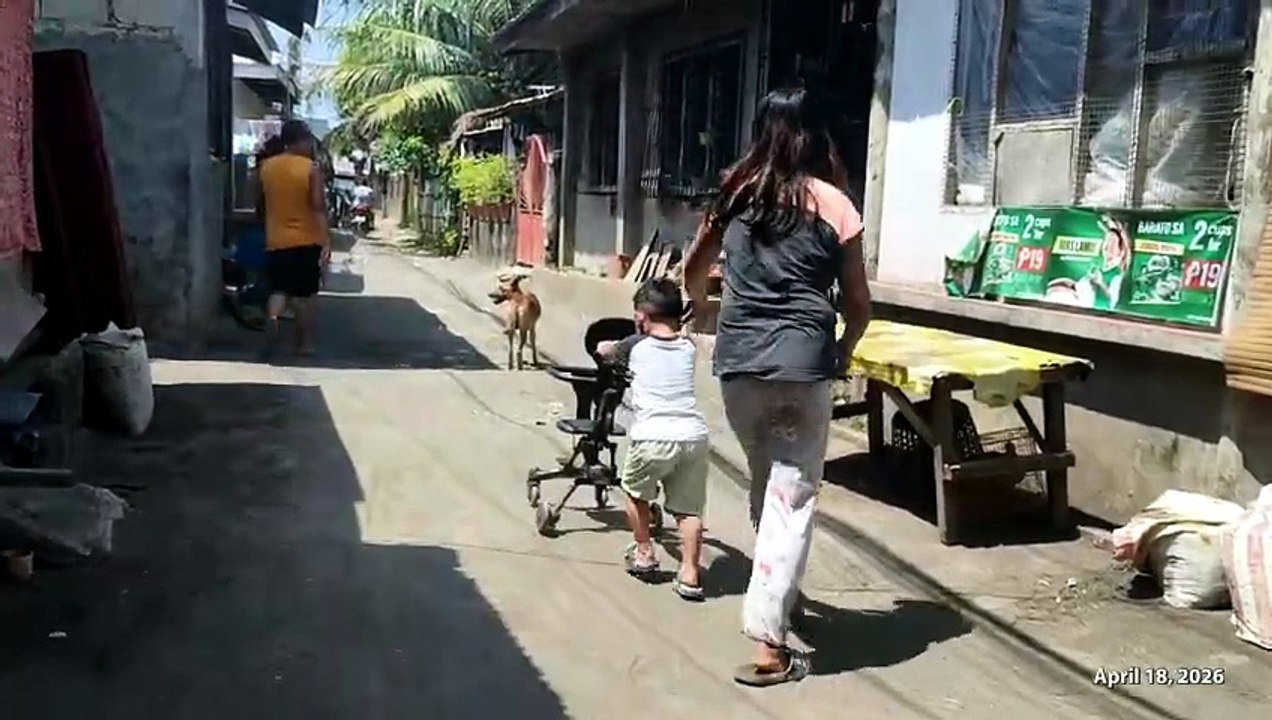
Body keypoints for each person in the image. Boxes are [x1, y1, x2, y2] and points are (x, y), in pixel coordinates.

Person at [681, 84, 872, 687]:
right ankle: (768, 640)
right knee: (791, 498)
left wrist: (707, 309)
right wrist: (841, 349)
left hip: (739, 367)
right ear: (817, 134)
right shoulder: (836, 205)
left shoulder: (734, 195)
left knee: (769, 487)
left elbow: (692, 273)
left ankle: (783, 601)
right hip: (803, 368)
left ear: (762, 129)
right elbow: (860, 304)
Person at [597, 279, 711, 601]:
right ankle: (690, 574)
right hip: (692, 436)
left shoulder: (634, 345)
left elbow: (608, 352)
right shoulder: (688, 347)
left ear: (642, 317)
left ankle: (644, 552)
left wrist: (604, 347)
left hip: (651, 436)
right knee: (689, 510)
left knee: (634, 492)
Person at [257, 119, 330, 357]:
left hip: (276, 240)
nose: (310, 145)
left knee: (279, 290)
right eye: (308, 141)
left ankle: (273, 321)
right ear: (300, 141)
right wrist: (326, 241)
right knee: (305, 296)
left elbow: (260, 205)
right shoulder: (311, 168)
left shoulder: (266, 168)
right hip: (306, 240)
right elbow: (318, 206)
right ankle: (304, 344)